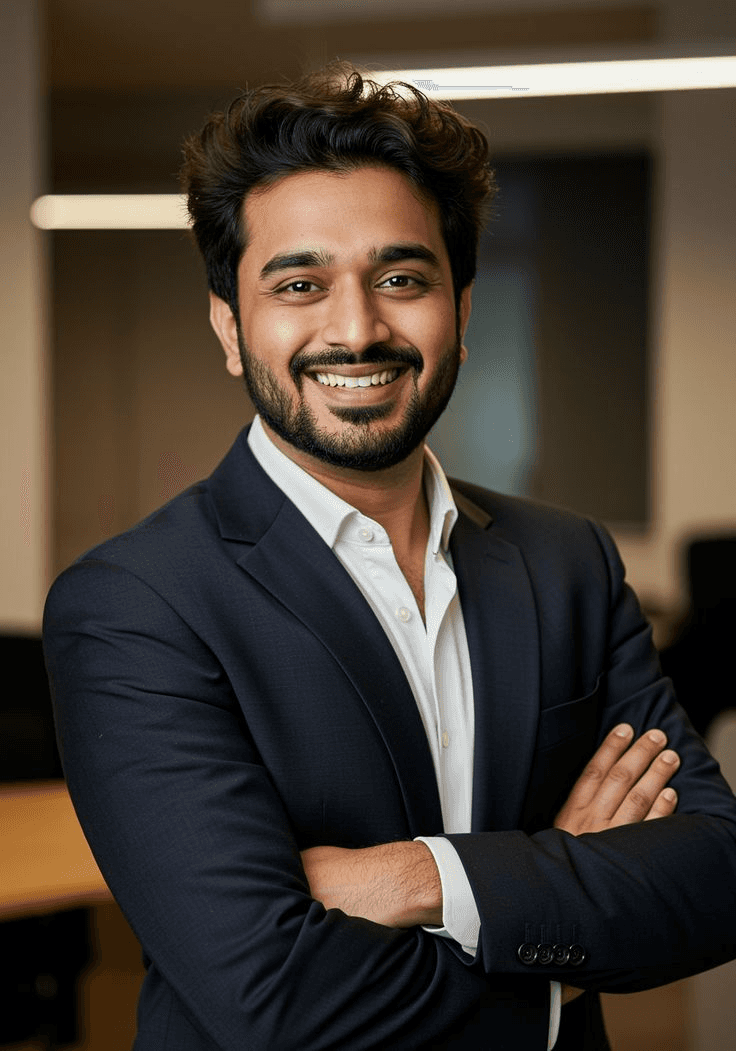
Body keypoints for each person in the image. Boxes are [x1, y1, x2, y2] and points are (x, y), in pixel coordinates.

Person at [43, 64, 736, 1051]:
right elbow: (271, 996)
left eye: (401, 278)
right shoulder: (135, 604)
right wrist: (555, 920)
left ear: (460, 311)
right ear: (230, 328)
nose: (358, 326)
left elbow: (715, 872)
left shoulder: (565, 562)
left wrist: (419, 878)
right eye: (299, 284)